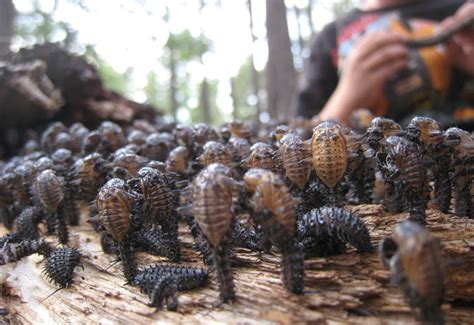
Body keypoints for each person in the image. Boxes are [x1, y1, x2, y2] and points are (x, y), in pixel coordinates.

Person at [296, 0, 474, 128]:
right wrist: (347, 95)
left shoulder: (462, 12)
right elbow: (298, 143)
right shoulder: (330, 38)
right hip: (372, 170)